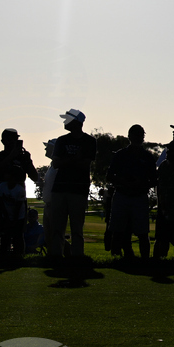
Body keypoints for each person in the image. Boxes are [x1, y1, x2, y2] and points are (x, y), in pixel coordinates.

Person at [47, 109, 98, 260]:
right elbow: (56, 163)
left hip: (78, 189)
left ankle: (77, 257)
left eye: (67, 119)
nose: (64, 122)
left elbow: (85, 164)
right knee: (57, 227)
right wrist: (74, 159)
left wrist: (67, 161)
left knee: (77, 228)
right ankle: (56, 256)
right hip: (60, 189)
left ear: (77, 122)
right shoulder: (62, 140)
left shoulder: (89, 141)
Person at [106, 125, 157, 261]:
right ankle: (116, 259)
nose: (138, 138)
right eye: (135, 135)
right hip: (122, 195)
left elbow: (154, 180)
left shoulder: (147, 157)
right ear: (129, 136)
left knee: (142, 232)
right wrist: (123, 181)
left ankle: (145, 260)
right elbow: (110, 175)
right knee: (117, 230)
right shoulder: (120, 155)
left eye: (140, 135)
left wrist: (140, 182)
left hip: (140, 197)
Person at [0, 129, 39, 256]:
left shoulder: (23, 158)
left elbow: (34, 177)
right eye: (10, 140)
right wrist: (10, 156)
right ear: (3, 141)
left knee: (18, 233)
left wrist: (28, 161)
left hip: (18, 202)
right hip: (0, 201)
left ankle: (18, 259)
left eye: (15, 139)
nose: (13, 142)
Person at [0, 167, 28, 258]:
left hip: (18, 217)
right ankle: (3, 255)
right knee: (5, 237)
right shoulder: (2, 186)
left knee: (17, 237)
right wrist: (6, 216)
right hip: (6, 215)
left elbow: (18, 206)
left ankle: (18, 255)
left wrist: (13, 219)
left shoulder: (19, 190)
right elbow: (1, 202)